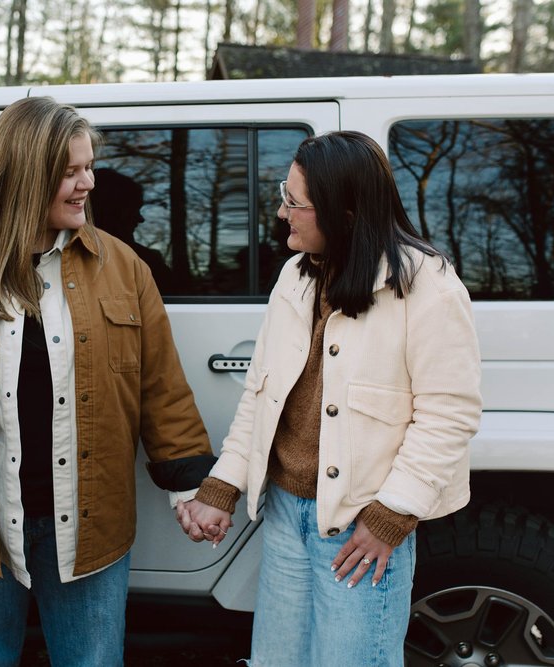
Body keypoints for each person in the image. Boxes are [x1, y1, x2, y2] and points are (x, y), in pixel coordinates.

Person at [0, 96, 215, 667]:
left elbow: (160, 386)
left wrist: (190, 483)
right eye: (70, 172)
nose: (88, 184)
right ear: (25, 174)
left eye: (89, 167)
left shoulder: (123, 268)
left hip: (90, 521)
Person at [177, 131, 482, 667]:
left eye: (295, 202)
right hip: (285, 516)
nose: (281, 212)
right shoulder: (295, 275)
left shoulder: (428, 286)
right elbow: (262, 393)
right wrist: (222, 487)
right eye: (284, 195)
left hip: (359, 529)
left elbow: (449, 416)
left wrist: (390, 517)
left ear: (345, 211)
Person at [91, 168, 174, 293]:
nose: (140, 219)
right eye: (134, 209)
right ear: (113, 212)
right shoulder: (145, 263)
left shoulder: (146, 262)